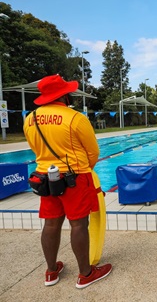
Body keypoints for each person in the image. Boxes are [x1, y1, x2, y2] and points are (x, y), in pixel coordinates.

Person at [23, 75, 112, 289]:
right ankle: (85, 274)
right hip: (75, 177)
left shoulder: (31, 118)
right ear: (65, 95)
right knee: (78, 223)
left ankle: (51, 271)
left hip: (45, 178)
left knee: (51, 223)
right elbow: (93, 152)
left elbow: (35, 148)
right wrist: (85, 170)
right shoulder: (75, 118)